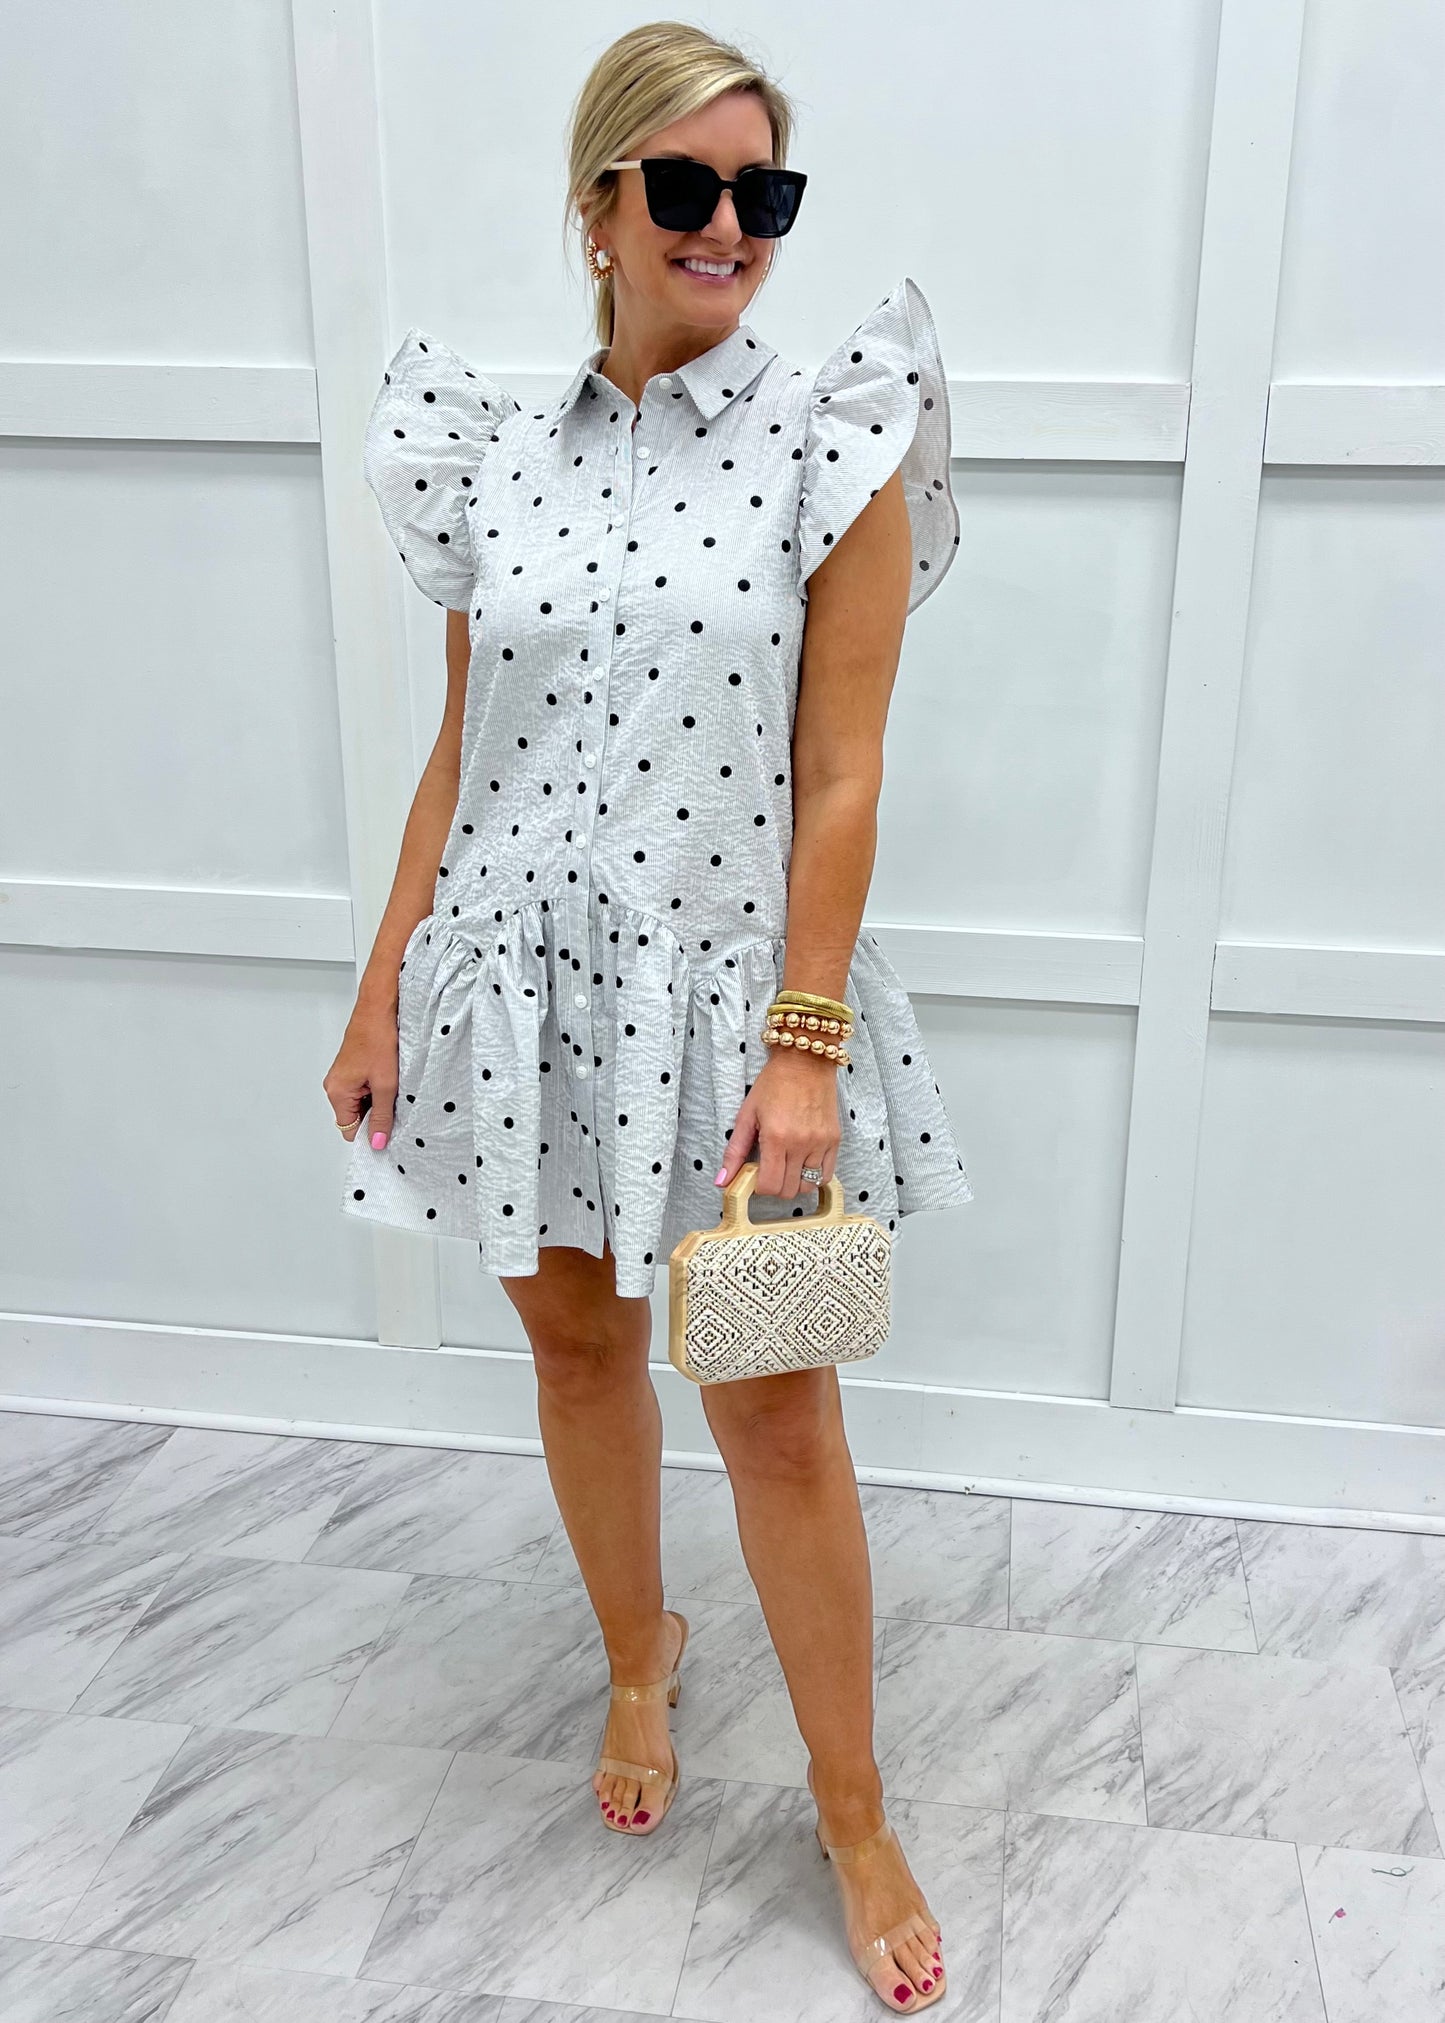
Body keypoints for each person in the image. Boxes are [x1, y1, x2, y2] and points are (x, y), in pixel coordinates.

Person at [324, 20, 972, 2014]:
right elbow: (462, 750)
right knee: (578, 1348)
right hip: (515, 996)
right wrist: (382, 984)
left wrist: (800, 1045)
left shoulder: (831, 441)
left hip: (733, 1009)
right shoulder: (490, 457)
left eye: (762, 192)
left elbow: (842, 774)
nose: (729, 227)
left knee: (774, 1409)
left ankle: (852, 1809)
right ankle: (638, 1657)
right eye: (685, 186)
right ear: (597, 208)